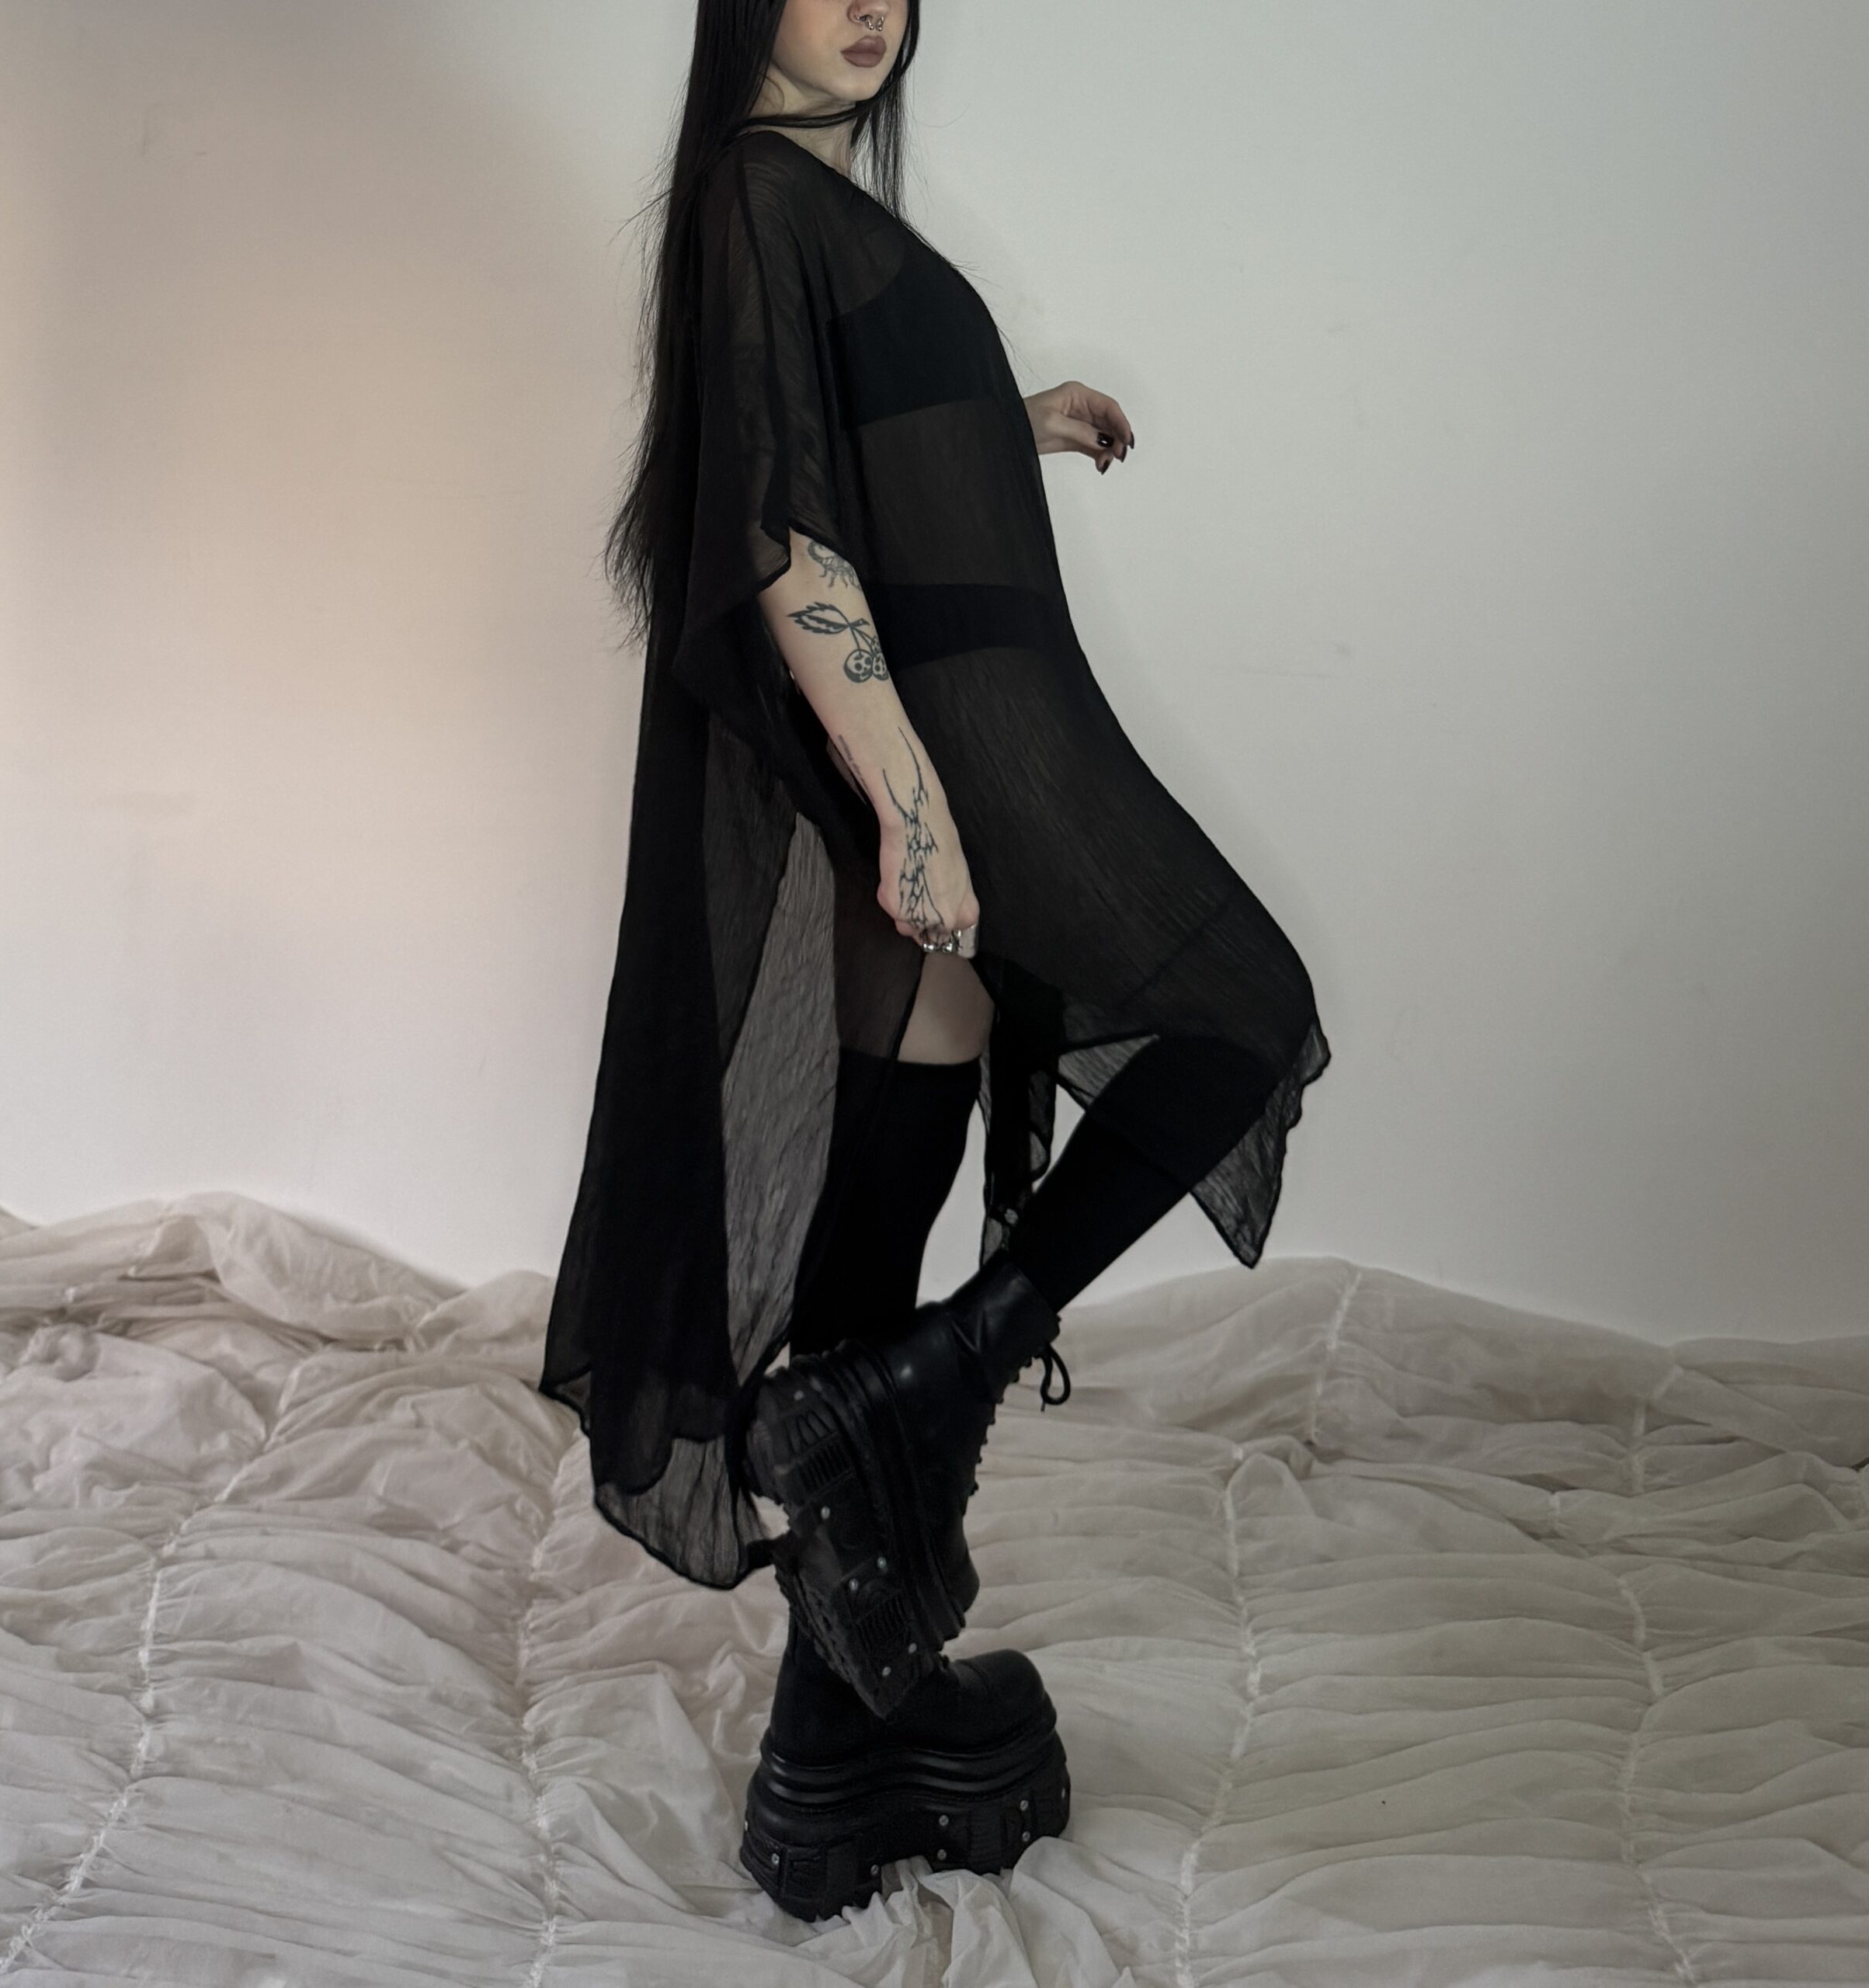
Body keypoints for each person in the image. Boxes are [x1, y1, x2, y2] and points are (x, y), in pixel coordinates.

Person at [538, 0, 1332, 1920]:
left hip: (962, 713)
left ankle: (839, 1719)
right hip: (950, 728)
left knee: (891, 1191)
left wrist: (1005, 417)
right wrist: (908, 795)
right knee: (1242, 1013)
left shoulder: (804, 204)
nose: (868, 1)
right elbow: (783, 532)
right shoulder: (756, 195)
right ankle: (937, 1381)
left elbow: (847, 437)